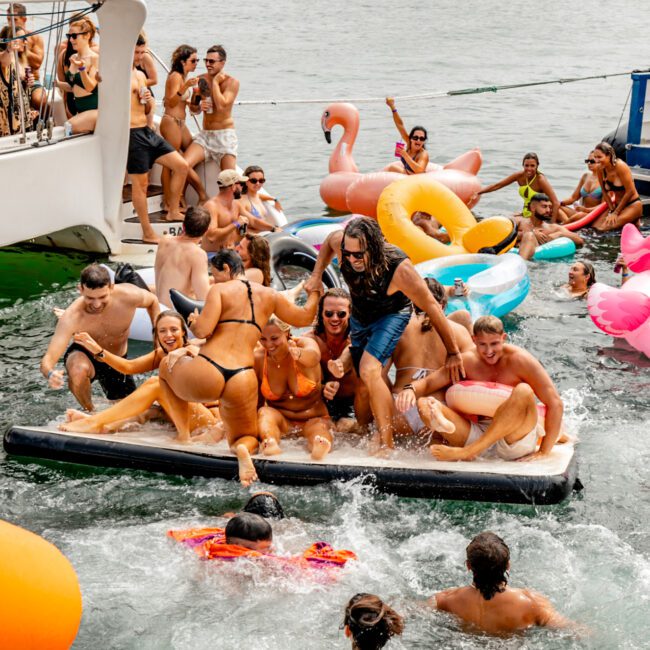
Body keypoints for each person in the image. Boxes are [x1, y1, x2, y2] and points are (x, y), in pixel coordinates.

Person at [157, 249, 321, 486]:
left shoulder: (220, 290)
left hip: (211, 367)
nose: (213, 280)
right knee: (244, 437)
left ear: (226, 269)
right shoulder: (271, 295)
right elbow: (305, 317)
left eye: (215, 274)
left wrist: (192, 321)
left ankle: (183, 436)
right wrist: (314, 292)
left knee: (165, 367)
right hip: (242, 376)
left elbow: (202, 331)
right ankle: (242, 450)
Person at [304, 217, 464, 453]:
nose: (351, 259)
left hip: (391, 315)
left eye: (358, 255)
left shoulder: (399, 268)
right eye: (347, 254)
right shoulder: (344, 245)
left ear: (375, 248)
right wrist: (317, 275)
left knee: (369, 368)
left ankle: (386, 442)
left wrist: (453, 352)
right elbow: (329, 242)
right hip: (360, 314)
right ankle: (367, 425)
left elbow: (431, 306)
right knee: (365, 379)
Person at [396, 316, 563, 462]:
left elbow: (555, 403)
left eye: (494, 344)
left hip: (515, 438)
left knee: (524, 390)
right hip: (478, 434)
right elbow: (429, 383)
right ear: (473, 340)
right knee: (424, 403)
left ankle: (467, 453)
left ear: (503, 338)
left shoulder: (521, 360)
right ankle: (448, 434)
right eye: (482, 344)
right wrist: (409, 389)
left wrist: (544, 452)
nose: (489, 351)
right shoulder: (467, 361)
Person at [58, 311, 221, 442]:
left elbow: (202, 349)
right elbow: (128, 367)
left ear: (184, 332)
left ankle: (93, 423)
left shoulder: (193, 350)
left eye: (174, 329)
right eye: (162, 331)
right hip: (183, 414)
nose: (168, 335)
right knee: (151, 411)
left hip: (208, 420)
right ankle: (105, 425)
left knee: (156, 384)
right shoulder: (161, 354)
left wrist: (185, 349)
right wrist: (97, 350)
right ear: (157, 335)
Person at [40, 264, 160, 411]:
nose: (96, 304)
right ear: (80, 289)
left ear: (111, 287)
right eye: (90, 298)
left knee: (135, 412)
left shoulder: (129, 296)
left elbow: (153, 301)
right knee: (78, 370)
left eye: (102, 297)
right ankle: (90, 411)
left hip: (117, 360)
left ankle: (107, 403)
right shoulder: (71, 317)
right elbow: (48, 359)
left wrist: (157, 334)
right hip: (86, 355)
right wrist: (51, 373)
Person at [429, 531, 572, 634]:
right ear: (508, 565)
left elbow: (412, 611)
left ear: (468, 566)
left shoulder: (443, 600)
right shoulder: (531, 603)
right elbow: (571, 630)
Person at [390, 278, 474, 434]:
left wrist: (390, 399)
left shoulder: (397, 328)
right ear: (442, 306)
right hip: (436, 407)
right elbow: (473, 372)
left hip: (399, 406)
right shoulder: (459, 332)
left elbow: (378, 374)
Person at [127, 39, 188, 243]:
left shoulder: (140, 75)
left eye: (142, 53)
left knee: (181, 166)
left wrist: (149, 103)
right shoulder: (117, 77)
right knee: (141, 185)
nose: (139, 57)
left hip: (146, 130)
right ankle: (147, 232)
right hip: (131, 134)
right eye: (136, 52)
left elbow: (145, 108)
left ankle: (172, 210)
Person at [255, 316, 333, 460]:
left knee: (318, 429)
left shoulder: (304, 344)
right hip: (281, 421)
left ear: (286, 332)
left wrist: (298, 354)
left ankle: (319, 449)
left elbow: (314, 356)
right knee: (264, 413)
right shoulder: (259, 359)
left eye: (274, 338)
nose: (268, 344)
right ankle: (270, 442)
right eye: (263, 339)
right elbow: (257, 402)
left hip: (313, 417)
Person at [305, 288, 371, 431]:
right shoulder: (310, 341)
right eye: (329, 313)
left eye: (341, 314)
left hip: (354, 405)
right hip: (322, 403)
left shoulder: (359, 340)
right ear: (321, 315)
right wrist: (322, 388)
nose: (335, 318)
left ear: (350, 315)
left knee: (346, 427)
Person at [184, 45, 240, 203]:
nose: (208, 64)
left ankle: (235, 211)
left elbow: (222, 105)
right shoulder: (201, 80)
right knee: (183, 165)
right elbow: (194, 109)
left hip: (225, 136)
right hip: (205, 135)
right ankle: (202, 195)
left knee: (230, 181)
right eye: (206, 60)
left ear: (222, 63)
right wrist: (197, 106)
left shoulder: (232, 83)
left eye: (212, 61)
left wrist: (215, 83)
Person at [160, 44, 199, 212]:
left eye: (197, 60)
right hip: (171, 122)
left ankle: (179, 196)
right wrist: (185, 87)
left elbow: (185, 104)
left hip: (181, 123)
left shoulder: (183, 77)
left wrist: (195, 98)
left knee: (190, 154)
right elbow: (170, 102)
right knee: (170, 164)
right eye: (193, 60)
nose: (196, 63)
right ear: (183, 62)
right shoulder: (176, 77)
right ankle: (169, 202)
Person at [476, 152, 562, 223]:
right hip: (527, 212)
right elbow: (497, 185)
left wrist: (552, 224)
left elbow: (555, 202)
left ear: (537, 166)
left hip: (539, 215)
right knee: (506, 220)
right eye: (526, 165)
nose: (529, 169)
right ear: (523, 165)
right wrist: (478, 192)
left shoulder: (540, 180)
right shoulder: (519, 176)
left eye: (532, 166)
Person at [154, 206, 211, 306]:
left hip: (158, 306)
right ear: (206, 231)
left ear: (183, 225)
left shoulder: (164, 240)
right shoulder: (197, 254)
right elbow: (203, 298)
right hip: (173, 314)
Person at [203, 169, 273, 251]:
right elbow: (212, 236)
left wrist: (273, 229)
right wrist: (236, 223)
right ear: (233, 187)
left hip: (233, 251)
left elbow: (253, 221)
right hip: (214, 255)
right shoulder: (211, 206)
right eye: (241, 184)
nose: (243, 187)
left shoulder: (236, 204)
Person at [55, 17, 99, 134]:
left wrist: (82, 69)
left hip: (94, 110)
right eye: (69, 36)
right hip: (80, 110)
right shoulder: (73, 58)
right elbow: (73, 87)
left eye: (74, 36)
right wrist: (57, 84)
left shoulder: (94, 58)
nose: (70, 40)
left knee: (68, 127)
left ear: (87, 35)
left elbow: (90, 87)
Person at [592, 141, 643, 232]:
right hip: (616, 206)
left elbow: (630, 191)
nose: (596, 161)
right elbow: (604, 192)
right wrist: (612, 210)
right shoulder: (600, 168)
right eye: (595, 157)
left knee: (603, 228)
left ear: (609, 156)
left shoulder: (621, 166)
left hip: (632, 205)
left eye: (599, 157)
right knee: (595, 227)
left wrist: (616, 213)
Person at [517, 193, 584, 260]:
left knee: (529, 235)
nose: (548, 210)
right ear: (532, 208)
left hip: (539, 261)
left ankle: (520, 265)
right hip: (516, 255)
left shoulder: (553, 228)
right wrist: (532, 233)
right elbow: (507, 235)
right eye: (544, 207)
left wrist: (559, 234)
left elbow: (580, 240)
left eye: (550, 207)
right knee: (529, 235)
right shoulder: (520, 222)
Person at [6, 3, 46, 112]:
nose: (11, 24)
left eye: (15, 20)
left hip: (32, 82)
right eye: (9, 20)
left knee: (40, 100)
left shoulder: (35, 38)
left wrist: (23, 48)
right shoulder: (3, 37)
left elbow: (38, 64)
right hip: (9, 83)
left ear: (24, 20)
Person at [0, 24, 33, 136]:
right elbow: (4, 62)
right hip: (8, 118)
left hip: (21, 117)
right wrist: (9, 49)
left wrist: (27, 84)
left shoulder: (19, 59)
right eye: (23, 39)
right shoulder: (4, 56)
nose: (25, 42)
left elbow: (19, 91)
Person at [384, 97, 429, 174]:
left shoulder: (423, 154)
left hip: (418, 181)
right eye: (415, 137)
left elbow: (420, 170)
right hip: (407, 178)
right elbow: (399, 125)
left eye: (422, 139)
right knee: (391, 168)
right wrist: (392, 107)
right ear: (410, 138)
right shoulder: (409, 143)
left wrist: (405, 155)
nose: (418, 140)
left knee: (392, 168)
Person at [558, 152, 603, 222]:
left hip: (593, 215)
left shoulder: (605, 180)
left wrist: (586, 210)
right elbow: (573, 198)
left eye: (592, 161)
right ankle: (567, 224)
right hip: (580, 212)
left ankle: (565, 225)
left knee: (580, 215)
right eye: (587, 161)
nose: (589, 163)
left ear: (600, 162)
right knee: (557, 207)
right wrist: (559, 203)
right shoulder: (585, 176)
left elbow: (604, 206)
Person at [237, 165, 282, 233]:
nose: (258, 183)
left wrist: (275, 199)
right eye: (253, 181)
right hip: (256, 238)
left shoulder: (256, 196)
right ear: (246, 181)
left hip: (266, 232)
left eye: (261, 180)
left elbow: (260, 196)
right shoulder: (242, 201)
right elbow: (238, 227)